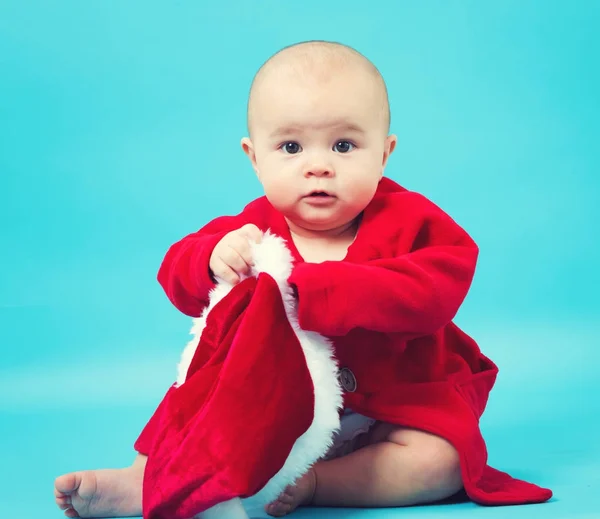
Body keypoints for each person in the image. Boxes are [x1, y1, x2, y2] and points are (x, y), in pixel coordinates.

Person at [54, 40, 551, 519]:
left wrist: (326, 290)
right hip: (283, 405)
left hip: (395, 405)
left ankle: (319, 484)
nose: (318, 166)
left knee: (440, 462)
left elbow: (435, 290)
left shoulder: (413, 221)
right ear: (255, 158)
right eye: (291, 146)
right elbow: (177, 276)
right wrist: (211, 258)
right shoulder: (251, 229)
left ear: (384, 154)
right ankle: (144, 481)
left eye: (344, 145)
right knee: (197, 402)